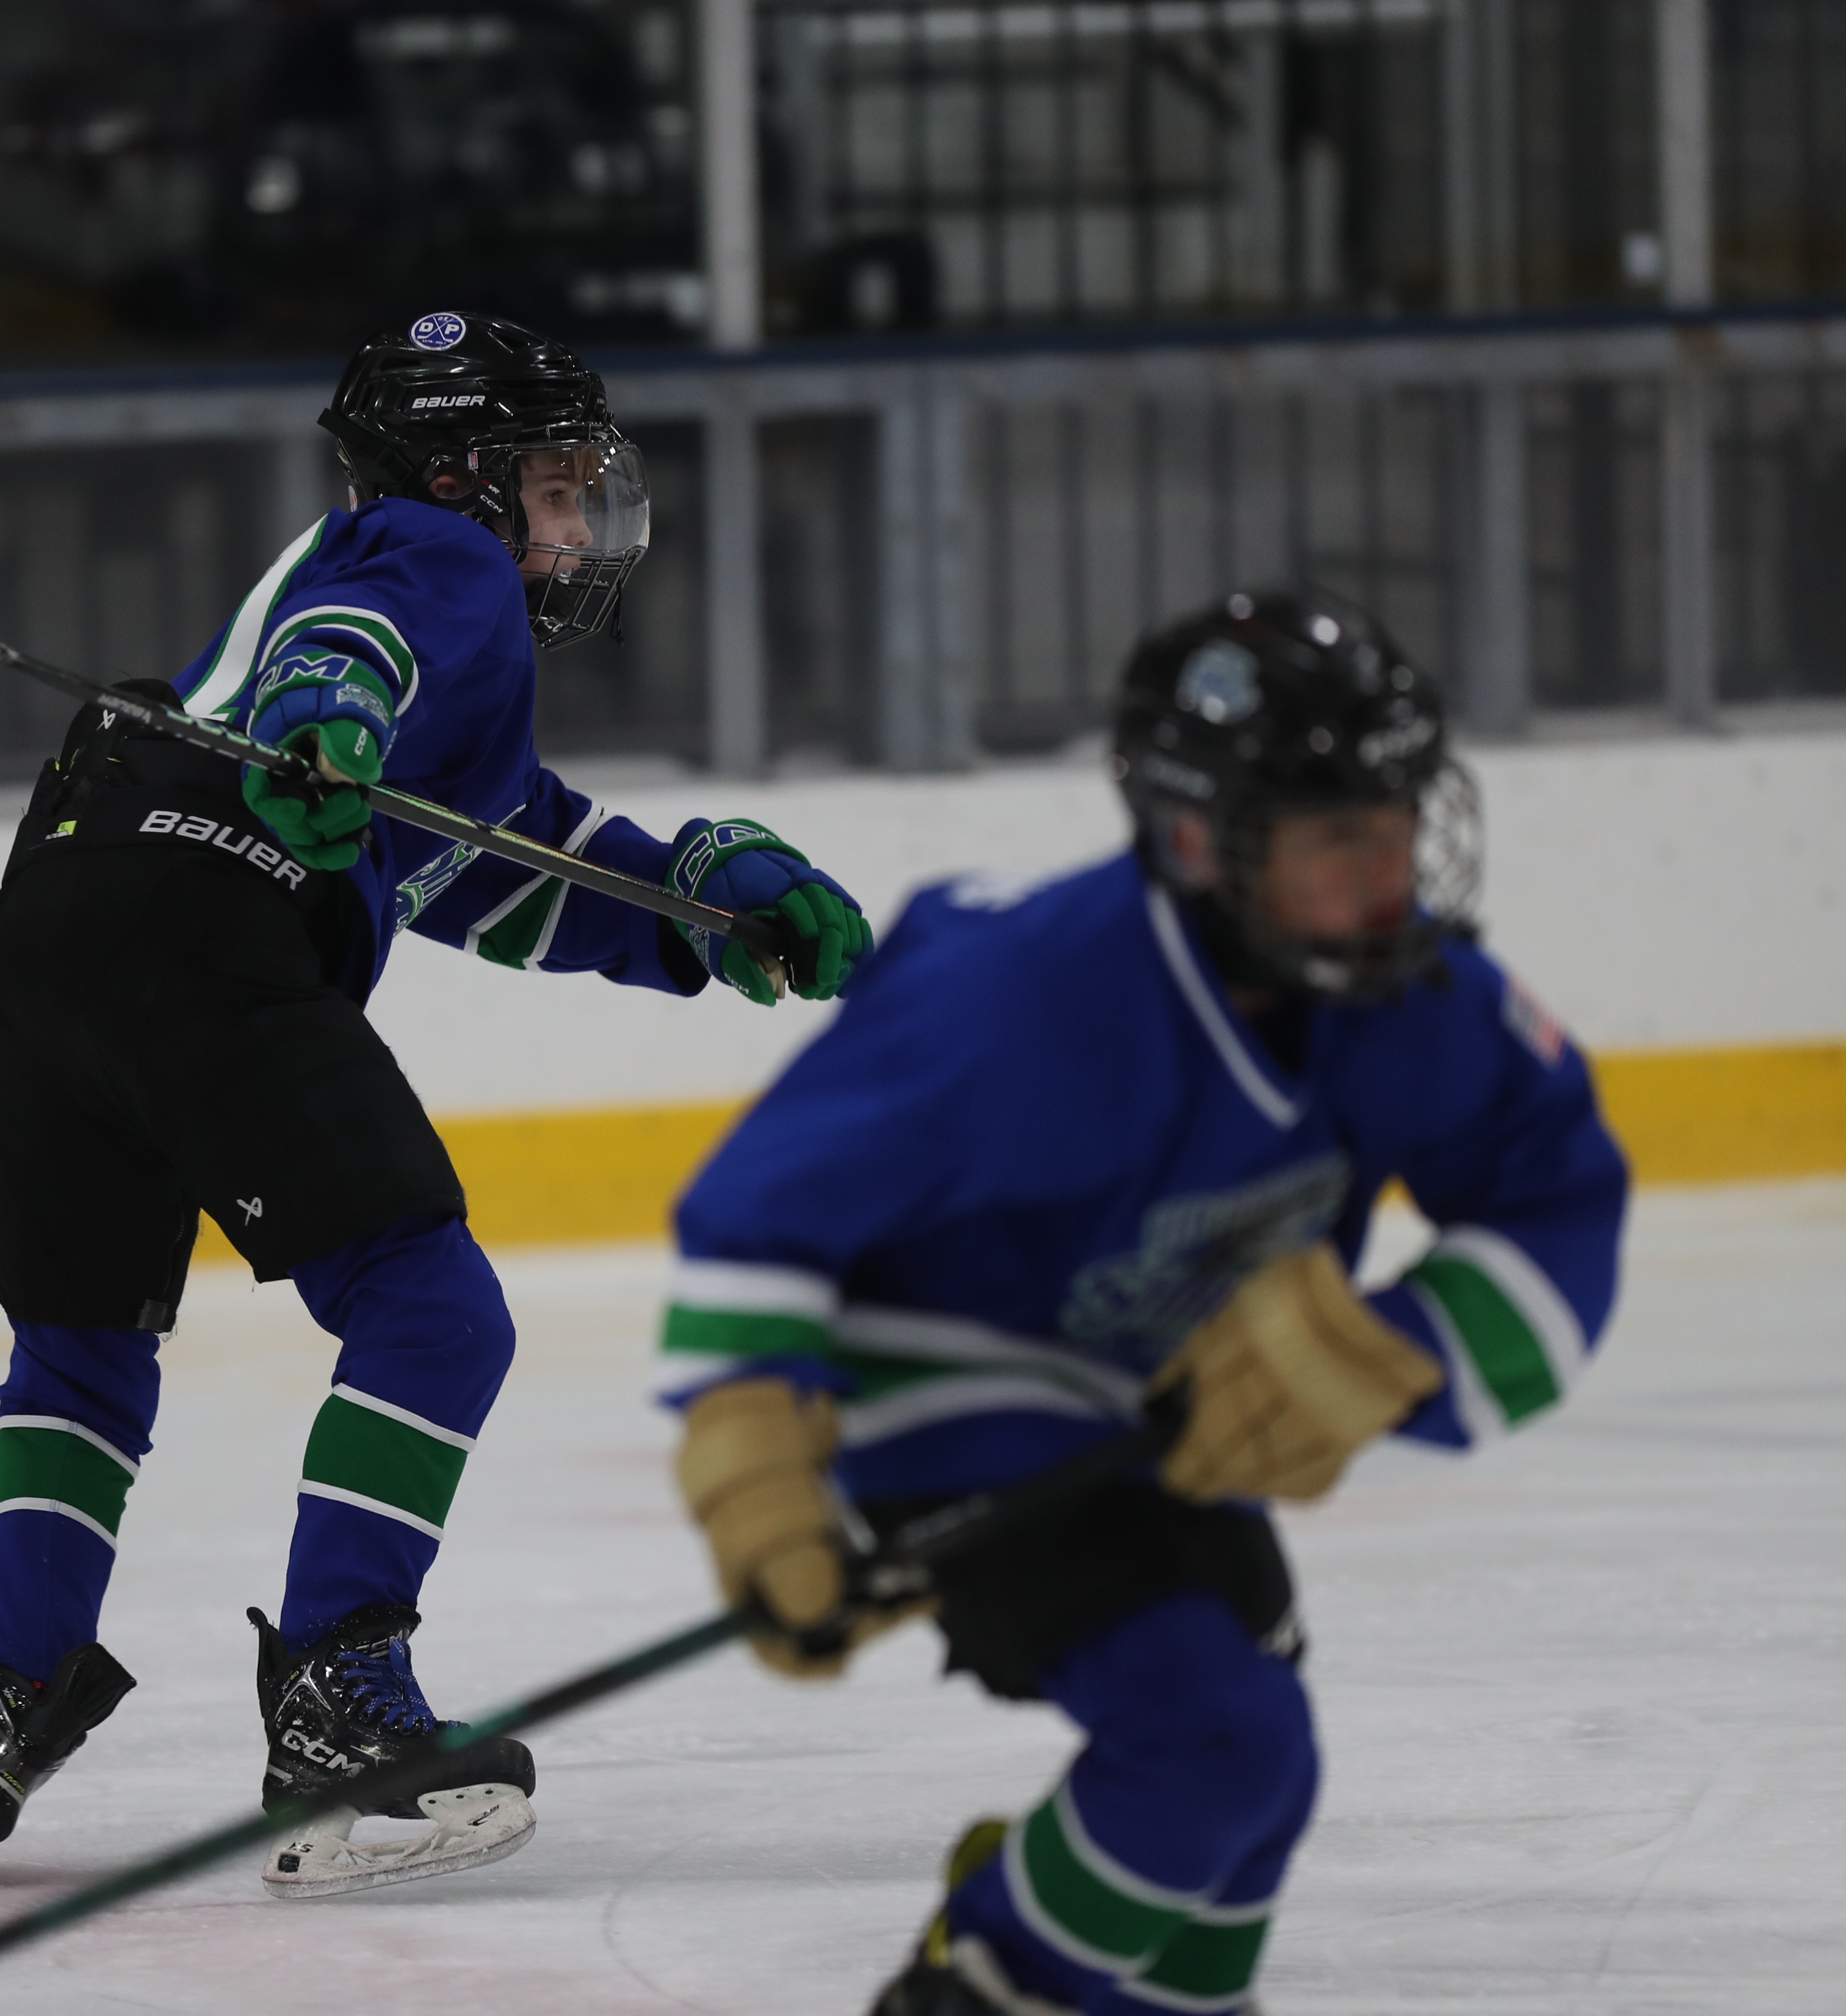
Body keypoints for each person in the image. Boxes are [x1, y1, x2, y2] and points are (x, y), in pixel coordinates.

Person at [0, 310, 875, 1899]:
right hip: (207, 936)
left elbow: (497, 867)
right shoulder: (432, 560)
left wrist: (697, 900)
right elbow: (361, 630)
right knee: (433, 1314)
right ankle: (338, 1693)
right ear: (465, 479)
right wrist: (324, 708)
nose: (576, 525)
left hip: (50, 935)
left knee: (82, 1348)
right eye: (554, 486)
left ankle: (2, 1707)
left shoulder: (409, 683)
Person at [662, 589, 1628, 2013]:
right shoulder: (1015, 989)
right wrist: (756, 1465)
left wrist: (1402, 1346)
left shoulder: (1413, 999)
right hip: (955, 1383)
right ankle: (979, 1989)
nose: (1387, 875)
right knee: (1219, 1742)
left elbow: (1557, 1193)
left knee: (1255, 1719)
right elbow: (760, 1211)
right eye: (1334, 841)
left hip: (1145, 1389)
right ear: (1197, 840)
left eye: (1396, 824)